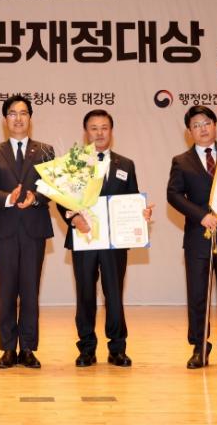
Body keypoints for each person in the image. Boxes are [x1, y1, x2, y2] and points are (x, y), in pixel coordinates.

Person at [57, 109, 153, 368]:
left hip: (114, 243)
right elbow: (61, 200)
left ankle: (117, 349)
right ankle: (87, 349)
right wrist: (73, 219)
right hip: (84, 238)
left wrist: (141, 214)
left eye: (104, 128)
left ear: (111, 131)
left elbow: (132, 198)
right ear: (85, 132)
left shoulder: (126, 164)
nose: (99, 133)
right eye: (94, 128)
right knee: (85, 295)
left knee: (114, 294)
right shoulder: (74, 163)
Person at [166, 105, 217, 370]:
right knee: (198, 296)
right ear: (189, 132)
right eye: (196, 125)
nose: (202, 129)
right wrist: (200, 215)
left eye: (206, 123)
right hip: (197, 238)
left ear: (215, 125)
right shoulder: (181, 161)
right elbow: (173, 195)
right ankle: (199, 348)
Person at [0, 95, 54, 369]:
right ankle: (8, 348)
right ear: (5, 119)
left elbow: (53, 188)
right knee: (7, 291)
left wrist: (35, 198)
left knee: (31, 292)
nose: (18, 118)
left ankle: (28, 348)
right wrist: (8, 199)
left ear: (30, 118)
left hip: (34, 229)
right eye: (12, 113)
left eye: (23, 113)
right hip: (5, 231)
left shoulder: (45, 151)